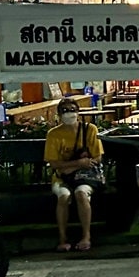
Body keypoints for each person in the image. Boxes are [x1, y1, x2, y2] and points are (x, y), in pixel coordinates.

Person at [44, 98, 104, 252]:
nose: (69, 113)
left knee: (81, 193)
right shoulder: (54, 134)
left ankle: (86, 236)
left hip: (86, 176)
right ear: (59, 114)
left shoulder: (90, 129)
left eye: (72, 109)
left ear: (78, 112)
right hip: (62, 177)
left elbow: (97, 157)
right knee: (63, 196)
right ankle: (63, 238)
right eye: (64, 110)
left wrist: (75, 166)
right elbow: (54, 163)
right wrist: (77, 164)